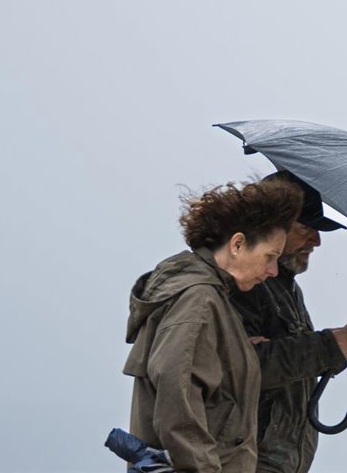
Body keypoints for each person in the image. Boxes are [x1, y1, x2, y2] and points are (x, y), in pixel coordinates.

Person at [122, 178, 303, 473]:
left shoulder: (213, 299)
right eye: (270, 257)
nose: (272, 270)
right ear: (237, 244)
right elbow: (178, 397)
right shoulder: (199, 300)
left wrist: (237, 353)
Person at [230, 170, 347, 473]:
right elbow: (238, 368)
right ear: (272, 227)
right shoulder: (243, 282)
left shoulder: (287, 289)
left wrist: (326, 352)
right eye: (306, 228)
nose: (317, 241)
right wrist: (324, 349)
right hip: (244, 461)